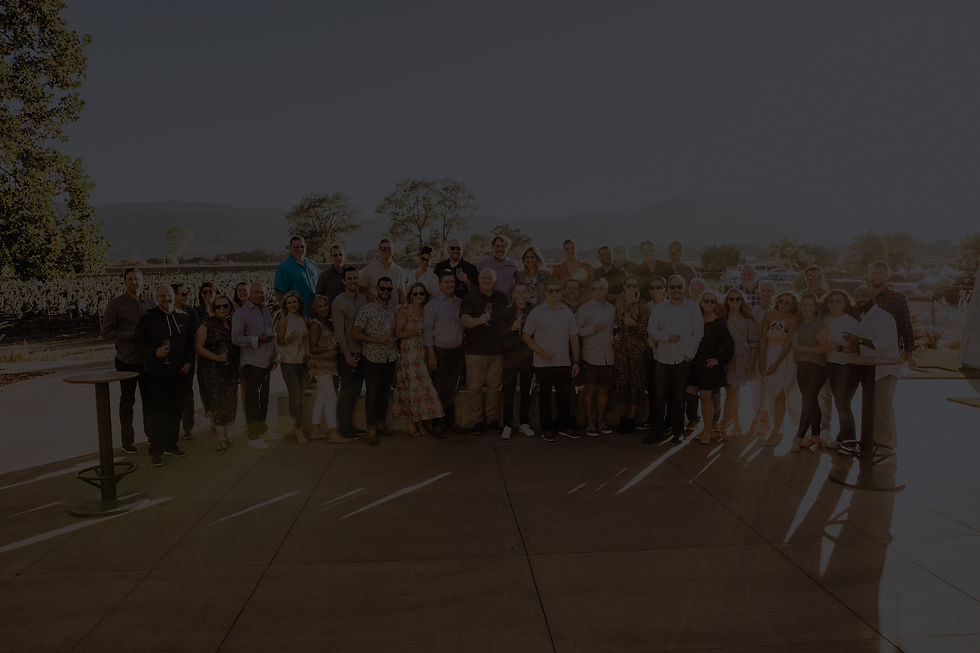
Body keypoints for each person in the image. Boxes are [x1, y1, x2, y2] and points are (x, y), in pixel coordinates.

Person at [133, 285, 195, 466]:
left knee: (175, 410)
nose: (165, 299)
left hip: (178, 373)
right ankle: (156, 450)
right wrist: (154, 352)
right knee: (156, 412)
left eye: (168, 296)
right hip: (155, 374)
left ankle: (171, 445)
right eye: (161, 296)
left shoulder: (184, 317)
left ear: (173, 297)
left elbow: (190, 344)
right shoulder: (147, 319)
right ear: (156, 297)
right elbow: (137, 345)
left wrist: (189, 362)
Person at [101, 267, 155, 454]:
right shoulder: (116, 304)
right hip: (126, 361)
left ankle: (152, 437)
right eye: (130, 279)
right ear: (125, 282)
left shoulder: (150, 302)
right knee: (127, 402)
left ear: (142, 280)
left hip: (147, 361)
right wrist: (130, 335)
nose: (134, 282)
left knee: (150, 401)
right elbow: (106, 332)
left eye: (137, 279)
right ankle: (127, 441)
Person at [843, 285, 902, 453]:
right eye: (857, 295)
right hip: (871, 371)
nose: (861, 298)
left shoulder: (883, 317)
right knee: (874, 411)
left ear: (873, 297)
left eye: (865, 295)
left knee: (883, 411)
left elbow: (882, 345)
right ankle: (874, 444)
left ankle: (887, 447)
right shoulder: (866, 317)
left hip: (885, 371)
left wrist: (858, 340)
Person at [646, 275, 703, 444]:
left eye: (679, 286)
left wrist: (689, 355)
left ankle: (678, 432)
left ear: (684, 288)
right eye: (673, 287)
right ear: (668, 289)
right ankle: (657, 432)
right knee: (659, 398)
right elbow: (651, 328)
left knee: (679, 398)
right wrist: (665, 337)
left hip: (682, 359)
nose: (676, 290)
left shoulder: (692, 307)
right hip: (663, 359)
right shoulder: (660, 307)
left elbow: (698, 333)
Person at [522, 279, 581, 442]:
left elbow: (573, 337)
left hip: (563, 362)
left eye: (557, 290)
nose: (554, 293)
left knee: (564, 397)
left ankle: (564, 426)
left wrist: (576, 361)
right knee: (544, 398)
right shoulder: (537, 312)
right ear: (545, 293)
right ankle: (547, 429)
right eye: (550, 291)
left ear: (561, 293)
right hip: (543, 363)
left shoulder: (567, 312)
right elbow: (525, 336)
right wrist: (541, 353)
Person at [232, 282, 280, 449]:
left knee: (264, 399)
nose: (260, 295)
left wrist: (274, 356)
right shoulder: (241, 313)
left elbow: (271, 334)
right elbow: (236, 338)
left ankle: (262, 430)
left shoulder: (266, 310)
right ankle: (252, 437)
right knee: (253, 400)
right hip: (251, 363)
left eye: (262, 292)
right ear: (250, 294)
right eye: (256, 292)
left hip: (266, 361)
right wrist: (257, 339)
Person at [461, 268, 508, 434]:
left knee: (495, 388)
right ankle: (477, 422)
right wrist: (479, 321)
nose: (487, 281)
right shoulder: (469, 297)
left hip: (496, 350)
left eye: (490, 278)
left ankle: (492, 420)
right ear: (479, 280)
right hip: (475, 351)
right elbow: (465, 321)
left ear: (493, 280)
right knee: (474, 388)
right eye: (484, 278)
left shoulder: (501, 297)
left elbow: (506, 320)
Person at [353, 277, 399, 445]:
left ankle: (381, 424)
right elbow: (356, 333)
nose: (385, 292)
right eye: (382, 288)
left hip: (390, 357)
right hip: (372, 357)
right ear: (377, 289)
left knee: (385, 392)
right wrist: (376, 340)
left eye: (389, 289)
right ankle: (371, 429)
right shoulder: (367, 309)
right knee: (372, 393)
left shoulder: (393, 310)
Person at [395, 282, 444, 436]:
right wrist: (413, 332)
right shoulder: (404, 311)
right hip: (409, 356)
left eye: (421, 294)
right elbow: (398, 333)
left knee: (422, 390)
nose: (418, 296)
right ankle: (412, 424)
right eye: (415, 294)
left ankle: (421, 423)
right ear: (410, 295)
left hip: (422, 354)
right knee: (412, 389)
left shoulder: (427, 311)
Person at [194, 294, 240, 454]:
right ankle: (221, 439)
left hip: (230, 370)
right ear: (213, 308)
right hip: (211, 371)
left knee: (231, 402)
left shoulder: (233, 323)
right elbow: (199, 347)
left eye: (225, 306)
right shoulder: (206, 325)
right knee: (218, 404)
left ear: (230, 307)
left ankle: (227, 434)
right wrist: (217, 358)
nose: (222, 309)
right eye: (218, 306)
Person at [424, 270, 465, 437]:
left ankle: (450, 422)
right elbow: (427, 332)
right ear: (440, 285)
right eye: (446, 282)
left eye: (452, 282)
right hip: (440, 353)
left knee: (452, 389)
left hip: (457, 352)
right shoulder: (432, 305)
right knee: (440, 390)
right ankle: (437, 424)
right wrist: (431, 355)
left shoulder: (460, 302)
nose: (450, 285)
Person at [690, 290, 734, 444]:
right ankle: (705, 428)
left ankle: (708, 430)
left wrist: (719, 360)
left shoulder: (719, 322)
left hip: (709, 365)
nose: (709, 304)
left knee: (706, 396)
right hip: (695, 364)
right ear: (701, 302)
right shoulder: (696, 319)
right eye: (706, 301)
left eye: (712, 301)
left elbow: (729, 345)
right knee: (700, 397)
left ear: (716, 304)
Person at [790, 293, 830, 452]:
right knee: (811, 402)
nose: (806, 308)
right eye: (803, 305)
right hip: (802, 367)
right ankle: (815, 436)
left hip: (817, 368)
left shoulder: (819, 325)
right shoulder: (800, 324)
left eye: (810, 305)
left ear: (815, 308)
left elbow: (825, 348)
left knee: (807, 402)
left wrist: (802, 348)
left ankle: (798, 438)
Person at [332, 266, 368, 440]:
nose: (353, 281)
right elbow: (339, 331)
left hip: (362, 353)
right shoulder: (339, 302)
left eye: (355, 278)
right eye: (350, 279)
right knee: (346, 392)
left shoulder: (362, 299)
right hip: (347, 354)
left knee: (355, 392)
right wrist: (347, 355)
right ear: (344, 281)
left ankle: (350, 426)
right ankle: (343, 429)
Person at [760, 291, 801, 446]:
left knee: (779, 396)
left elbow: (787, 344)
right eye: (782, 301)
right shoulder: (769, 315)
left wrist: (776, 363)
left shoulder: (793, 320)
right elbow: (763, 337)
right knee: (771, 396)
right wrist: (762, 360)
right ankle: (778, 428)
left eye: (788, 303)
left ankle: (776, 431)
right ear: (778, 301)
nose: (784, 305)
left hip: (785, 360)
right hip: (769, 354)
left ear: (793, 305)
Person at [822, 289, 861, 450]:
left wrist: (837, 347)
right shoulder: (827, 319)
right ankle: (841, 437)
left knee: (843, 404)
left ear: (846, 303)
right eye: (831, 301)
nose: (835, 304)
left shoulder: (851, 321)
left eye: (839, 301)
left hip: (846, 367)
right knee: (839, 404)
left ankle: (850, 441)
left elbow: (857, 346)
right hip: (830, 365)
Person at [577, 278, 616, 436]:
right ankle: (590, 423)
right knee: (589, 390)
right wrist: (593, 329)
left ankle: (600, 421)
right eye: (595, 289)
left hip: (608, 355)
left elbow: (614, 328)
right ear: (591, 291)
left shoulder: (611, 309)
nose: (598, 291)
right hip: (591, 355)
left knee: (604, 390)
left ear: (606, 290)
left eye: (601, 288)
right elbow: (576, 330)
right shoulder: (584, 309)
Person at [308, 294, 349, 444]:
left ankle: (315, 431)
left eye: (325, 306)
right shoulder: (316, 324)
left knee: (321, 397)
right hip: (321, 366)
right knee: (331, 397)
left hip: (329, 365)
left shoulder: (327, 322)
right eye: (320, 307)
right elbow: (311, 348)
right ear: (315, 309)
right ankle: (333, 433)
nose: (324, 309)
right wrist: (329, 347)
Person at [614, 275, 651, 433]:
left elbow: (647, 329)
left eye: (633, 285)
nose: (630, 288)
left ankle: (631, 419)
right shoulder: (619, 304)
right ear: (624, 286)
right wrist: (615, 333)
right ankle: (622, 419)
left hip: (636, 349)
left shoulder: (642, 305)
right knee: (621, 384)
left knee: (636, 385)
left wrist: (634, 324)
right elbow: (615, 325)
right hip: (621, 349)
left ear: (637, 288)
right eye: (628, 285)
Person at [720, 288, 759, 439]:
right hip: (727, 359)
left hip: (742, 359)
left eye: (737, 299)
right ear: (727, 301)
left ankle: (725, 425)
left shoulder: (748, 320)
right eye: (731, 299)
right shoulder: (722, 318)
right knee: (731, 393)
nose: (734, 302)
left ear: (742, 301)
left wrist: (751, 361)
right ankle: (736, 424)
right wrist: (724, 360)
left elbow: (753, 343)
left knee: (732, 393)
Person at [499, 282, 536, 438]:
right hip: (511, 357)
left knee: (527, 391)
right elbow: (498, 335)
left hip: (528, 356)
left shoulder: (533, 310)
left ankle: (524, 423)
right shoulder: (506, 312)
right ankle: (507, 424)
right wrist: (511, 329)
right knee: (508, 391)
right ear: (513, 294)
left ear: (527, 294)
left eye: (524, 291)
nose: (521, 294)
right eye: (518, 291)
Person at [867, 262, 917, 370]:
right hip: (866, 353)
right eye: (874, 273)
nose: (876, 276)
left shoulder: (898, 298)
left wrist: (909, 355)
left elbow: (906, 326)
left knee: (886, 386)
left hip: (889, 353)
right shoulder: (863, 297)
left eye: (880, 274)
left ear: (887, 276)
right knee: (868, 387)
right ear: (869, 275)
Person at [276, 290, 310, 443]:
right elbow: (279, 342)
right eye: (289, 302)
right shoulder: (284, 321)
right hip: (289, 362)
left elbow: (306, 340)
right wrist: (287, 340)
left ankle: (296, 425)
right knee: (295, 397)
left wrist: (308, 354)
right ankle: (298, 430)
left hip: (302, 362)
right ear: (285, 305)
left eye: (294, 302)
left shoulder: (304, 320)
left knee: (301, 397)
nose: (292, 305)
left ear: (299, 303)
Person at [171, 283, 200, 440]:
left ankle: (188, 427)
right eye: (183, 294)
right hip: (169, 361)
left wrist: (190, 359)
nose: (186, 297)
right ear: (173, 295)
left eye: (186, 293)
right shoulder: (163, 312)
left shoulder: (190, 312)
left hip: (187, 359)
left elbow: (194, 337)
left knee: (187, 394)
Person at [274, 236, 320, 316]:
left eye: (302, 246)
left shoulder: (312, 264)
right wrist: (286, 313)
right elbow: (279, 292)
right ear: (290, 248)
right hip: (298, 314)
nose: (299, 249)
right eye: (296, 247)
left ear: (306, 247)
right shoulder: (284, 267)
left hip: (316, 312)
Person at [360, 239, 407, 304]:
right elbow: (361, 289)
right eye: (383, 249)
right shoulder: (368, 269)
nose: (386, 251)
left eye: (389, 249)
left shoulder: (399, 271)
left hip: (393, 310)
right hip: (375, 310)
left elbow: (401, 294)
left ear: (393, 250)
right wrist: (372, 297)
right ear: (379, 250)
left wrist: (402, 309)